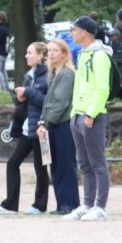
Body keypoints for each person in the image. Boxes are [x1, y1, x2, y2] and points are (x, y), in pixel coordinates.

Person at [63, 16, 113, 222]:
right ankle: (88, 204)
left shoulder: (99, 56)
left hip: (92, 115)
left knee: (97, 163)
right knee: (84, 163)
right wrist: (75, 112)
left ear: (84, 32)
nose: (72, 34)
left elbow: (102, 88)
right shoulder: (83, 54)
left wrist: (91, 112)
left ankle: (100, 206)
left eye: (74, 30)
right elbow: (80, 86)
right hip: (78, 114)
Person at [0, 42, 50, 214]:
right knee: (12, 163)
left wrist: (28, 92)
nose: (26, 56)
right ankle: (10, 203)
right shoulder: (28, 75)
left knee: (41, 168)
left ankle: (39, 205)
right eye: (26, 52)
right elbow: (24, 102)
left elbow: (46, 102)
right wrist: (21, 98)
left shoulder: (47, 76)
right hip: (27, 128)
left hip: (42, 129)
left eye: (30, 52)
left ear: (40, 55)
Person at [37, 40, 80, 215]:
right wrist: (42, 121)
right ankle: (62, 203)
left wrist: (47, 122)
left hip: (63, 125)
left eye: (56, 50)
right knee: (55, 166)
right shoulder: (54, 73)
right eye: (49, 51)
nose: (52, 54)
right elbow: (48, 101)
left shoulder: (67, 74)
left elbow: (61, 102)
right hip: (52, 124)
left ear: (64, 53)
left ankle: (70, 204)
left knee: (65, 165)